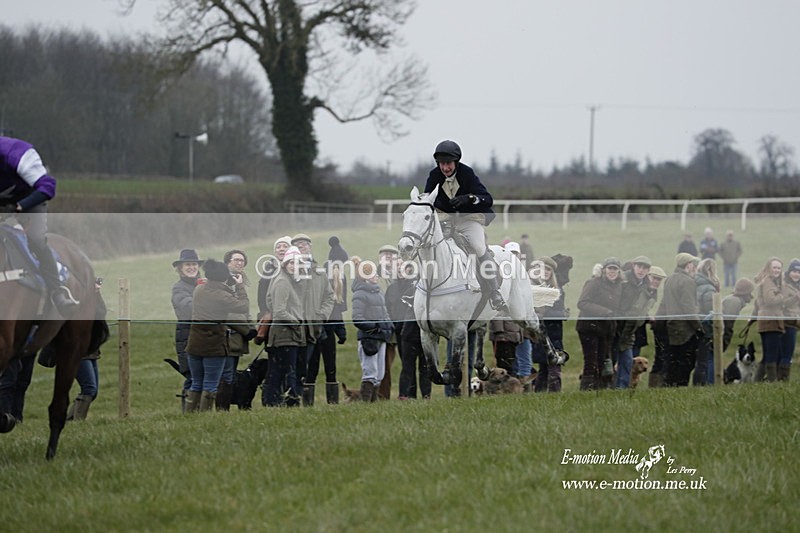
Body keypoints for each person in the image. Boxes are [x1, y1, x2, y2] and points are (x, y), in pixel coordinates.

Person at [423, 139, 506, 311]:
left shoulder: (467, 173)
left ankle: (494, 291)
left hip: (468, 220)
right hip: (445, 220)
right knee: (429, 246)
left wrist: (469, 198)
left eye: (448, 164)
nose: (445, 168)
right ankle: (419, 288)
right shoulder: (434, 175)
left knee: (478, 246)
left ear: (456, 162)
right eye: (442, 164)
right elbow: (426, 199)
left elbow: (487, 198)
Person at [0, 135, 79, 314]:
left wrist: (21, 206)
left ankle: (57, 291)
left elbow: (48, 186)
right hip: (3, 201)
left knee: (35, 240)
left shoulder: (17, 153)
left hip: (31, 198)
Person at [185, 259, 250, 411]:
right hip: (213, 346)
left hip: (194, 344)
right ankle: (205, 417)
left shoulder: (199, 290)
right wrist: (240, 286)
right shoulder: (221, 295)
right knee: (210, 384)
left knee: (196, 382)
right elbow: (243, 306)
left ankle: (190, 415)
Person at [292, 233, 335, 406]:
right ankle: (293, 400)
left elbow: (329, 296)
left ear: (310, 247)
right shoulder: (290, 271)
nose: (302, 247)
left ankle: (308, 403)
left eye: (305, 244)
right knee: (298, 366)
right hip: (296, 327)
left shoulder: (319, 272)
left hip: (316, 327)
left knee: (314, 365)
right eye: (297, 244)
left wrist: (322, 315)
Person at [263, 246, 307, 407]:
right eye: (291, 263)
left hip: (286, 334)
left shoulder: (289, 280)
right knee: (287, 372)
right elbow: (279, 311)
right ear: (285, 264)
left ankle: (273, 402)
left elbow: (269, 301)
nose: (294, 266)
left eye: (297, 263)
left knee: (278, 371)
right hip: (284, 335)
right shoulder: (282, 281)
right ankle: (288, 402)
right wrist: (296, 323)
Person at [309, 236, 349, 404]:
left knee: (330, 365)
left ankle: (332, 401)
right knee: (312, 364)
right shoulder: (322, 276)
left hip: (331, 328)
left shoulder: (341, 279)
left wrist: (341, 330)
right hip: (317, 326)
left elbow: (337, 308)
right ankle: (307, 400)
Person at [576, 257, 623, 390]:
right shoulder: (593, 283)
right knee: (591, 361)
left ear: (619, 271)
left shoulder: (619, 286)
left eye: (615, 269)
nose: (612, 271)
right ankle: (587, 389)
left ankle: (599, 389)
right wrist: (605, 312)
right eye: (610, 268)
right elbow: (582, 303)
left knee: (602, 361)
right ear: (604, 270)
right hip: (588, 327)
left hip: (606, 329)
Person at [351, 257, 393, 402]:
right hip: (369, 339)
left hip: (381, 338)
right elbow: (357, 318)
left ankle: (373, 404)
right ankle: (365, 403)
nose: (377, 276)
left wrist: (388, 326)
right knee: (370, 372)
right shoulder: (359, 294)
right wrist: (374, 329)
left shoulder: (378, 293)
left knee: (379, 373)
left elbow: (385, 313)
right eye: (374, 273)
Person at [218, 249, 255, 410]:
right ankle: (221, 410)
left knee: (230, 374)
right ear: (227, 262)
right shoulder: (226, 281)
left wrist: (251, 326)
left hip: (236, 337)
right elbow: (228, 313)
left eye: (242, 261)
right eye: (236, 260)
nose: (240, 263)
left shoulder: (239, 281)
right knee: (226, 376)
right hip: (228, 337)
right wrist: (247, 330)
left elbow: (245, 309)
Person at [67, 278, 108, 420]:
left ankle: (70, 420)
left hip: (90, 350)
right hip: (77, 351)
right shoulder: (74, 302)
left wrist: (96, 294)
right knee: (89, 388)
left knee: (93, 391)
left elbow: (101, 312)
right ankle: (76, 422)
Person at [614, 256, 658, 389]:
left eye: (645, 268)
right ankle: (603, 390)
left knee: (627, 361)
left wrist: (646, 316)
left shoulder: (647, 286)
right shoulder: (622, 280)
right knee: (610, 361)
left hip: (631, 329)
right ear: (634, 266)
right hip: (615, 327)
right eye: (639, 266)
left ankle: (621, 391)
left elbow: (643, 307)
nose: (641, 270)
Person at [753, 257, 798, 382]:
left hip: (771, 320)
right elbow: (770, 300)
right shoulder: (768, 281)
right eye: (775, 267)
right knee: (771, 355)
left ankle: (757, 381)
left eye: (779, 268)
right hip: (770, 321)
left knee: (768, 354)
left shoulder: (773, 281)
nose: (777, 270)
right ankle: (773, 383)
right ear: (769, 268)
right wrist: (784, 296)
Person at [661, 253, 702, 387]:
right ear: (688, 265)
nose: (693, 266)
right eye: (692, 263)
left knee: (673, 361)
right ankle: (681, 388)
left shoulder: (669, 279)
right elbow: (689, 308)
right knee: (687, 362)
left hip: (671, 326)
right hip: (686, 329)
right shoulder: (688, 281)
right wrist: (699, 327)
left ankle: (670, 387)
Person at [171, 248, 204, 411]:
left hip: (204, 336)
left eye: (194, 264)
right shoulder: (179, 288)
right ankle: (188, 412)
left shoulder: (203, 284)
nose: (191, 267)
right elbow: (189, 307)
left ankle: (200, 412)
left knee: (202, 376)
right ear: (180, 268)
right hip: (187, 336)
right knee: (192, 376)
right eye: (187, 265)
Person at [530, 256, 567, 393]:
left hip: (554, 332)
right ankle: (541, 395)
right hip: (540, 333)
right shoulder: (531, 287)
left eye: (548, 269)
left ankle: (554, 395)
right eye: (542, 268)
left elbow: (558, 309)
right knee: (544, 368)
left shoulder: (558, 289)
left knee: (554, 368)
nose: (545, 272)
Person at [376, 244, 400, 400]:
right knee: (382, 365)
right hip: (380, 327)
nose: (388, 257)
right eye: (385, 254)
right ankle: (382, 396)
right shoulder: (374, 276)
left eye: (391, 254)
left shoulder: (402, 276)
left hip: (398, 326)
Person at [692, 258, 720, 385]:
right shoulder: (709, 288)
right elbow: (711, 310)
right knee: (703, 361)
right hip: (704, 327)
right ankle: (702, 386)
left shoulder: (693, 283)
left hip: (693, 325)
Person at [721, 277, 755, 352]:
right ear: (745, 292)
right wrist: (724, 343)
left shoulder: (733, 300)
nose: (751, 296)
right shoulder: (734, 302)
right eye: (750, 292)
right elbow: (727, 324)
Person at [780, 259, 800, 381]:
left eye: (799, 272)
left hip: (794, 323)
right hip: (785, 323)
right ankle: (783, 380)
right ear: (789, 272)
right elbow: (782, 303)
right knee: (786, 353)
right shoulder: (783, 285)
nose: (797, 274)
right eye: (794, 271)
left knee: (788, 353)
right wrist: (796, 297)